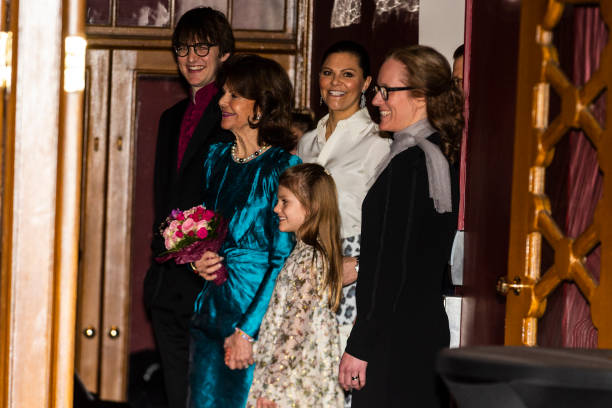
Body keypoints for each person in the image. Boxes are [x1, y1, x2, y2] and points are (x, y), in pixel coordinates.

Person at [338, 45, 463, 407]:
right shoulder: (442, 154)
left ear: (421, 97)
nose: (376, 100)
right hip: (424, 331)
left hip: (394, 341)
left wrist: (360, 345)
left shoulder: (410, 163)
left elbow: (392, 267)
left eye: (386, 91)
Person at [189, 54, 302, 408]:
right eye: (224, 93)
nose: (222, 102)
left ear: (261, 106)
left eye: (234, 95)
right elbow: (205, 228)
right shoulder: (216, 158)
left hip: (256, 317)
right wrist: (197, 259)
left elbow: (282, 259)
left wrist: (248, 330)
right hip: (210, 311)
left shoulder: (283, 166)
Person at [142, 7, 234, 408]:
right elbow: (163, 201)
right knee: (178, 396)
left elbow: (237, 201)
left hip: (213, 282)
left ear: (224, 54)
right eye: (183, 48)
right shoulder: (170, 117)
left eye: (203, 47)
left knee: (211, 396)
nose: (191, 57)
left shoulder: (236, 115)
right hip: (167, 286)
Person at [297, 41, 391, 370]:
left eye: (347, 74)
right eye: (328, 73)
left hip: (350, 269)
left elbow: (391, 224)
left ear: (366, 83)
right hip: (304, 267)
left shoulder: (379, 142)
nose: (335, 82)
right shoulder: (307, 141)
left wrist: (362, 265)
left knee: (339, 377)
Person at [246, 163, 345, 408]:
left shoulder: (309, 259)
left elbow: (295, 328)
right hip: (288, 377)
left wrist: (272, 387)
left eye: (284, 201)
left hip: (293, 386)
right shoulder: (302, 255)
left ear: (311, 207)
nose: (276, 208)